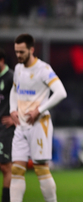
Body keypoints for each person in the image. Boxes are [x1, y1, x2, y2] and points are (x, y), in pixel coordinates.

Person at [9, 34, 67, 202]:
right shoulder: (19, 69)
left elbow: (61, 93)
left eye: (22, 52)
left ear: (31, 50)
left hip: (39, 125)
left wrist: (39, 110)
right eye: (16, 52)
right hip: (21, 125)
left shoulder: (43, 69)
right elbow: (14, 89)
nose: (18, 55)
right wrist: (13, 109)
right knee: (17, 169)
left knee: (41, 168)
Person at [0, 48, 14, 202]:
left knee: (5, 167)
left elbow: (22, 98)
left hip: (4, 127)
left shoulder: (11, 77)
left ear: (2, 61)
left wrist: (14, 118)